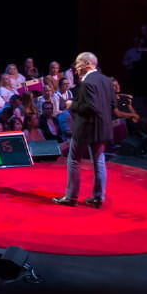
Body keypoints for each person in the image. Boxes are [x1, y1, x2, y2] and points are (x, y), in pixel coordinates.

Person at [53, 52, 116, 209]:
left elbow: (91, 107)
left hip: (86, 128)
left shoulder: (87, 83)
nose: (76, 66)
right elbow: (112, 104)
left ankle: (71, 197)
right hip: (102, 128)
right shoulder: (107, 80)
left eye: (78, 63)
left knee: (74, 160)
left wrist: (71, 105)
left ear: (87, 64)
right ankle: (98, 198)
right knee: (99, 161)